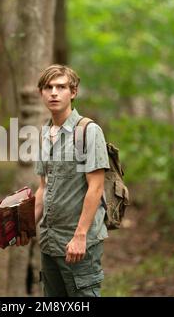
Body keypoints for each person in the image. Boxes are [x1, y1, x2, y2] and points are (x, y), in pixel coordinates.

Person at [17, 64, 109, 297]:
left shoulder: (88, 131)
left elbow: (96, 187)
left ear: (73, 92)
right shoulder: (45, 133)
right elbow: (43, 188)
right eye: (48, 87)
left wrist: (80, 236)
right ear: (41, 93)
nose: (54, 93)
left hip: (79, 243)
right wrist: (26, 228)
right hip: (49, 242)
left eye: (61, 87)